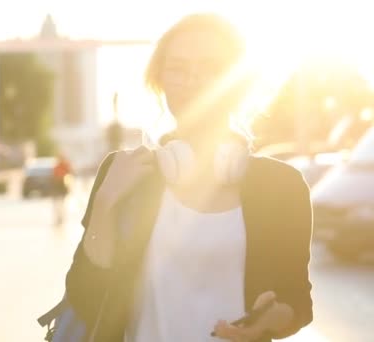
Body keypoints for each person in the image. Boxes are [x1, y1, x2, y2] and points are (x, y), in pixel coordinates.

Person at [64, 13, 313, 342]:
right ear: (160, 81)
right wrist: (105, 206)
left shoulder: (282, 186)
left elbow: (297, 302)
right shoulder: (125, 172)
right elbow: (84, 298)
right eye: (178, 69)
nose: (193, 79)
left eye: (210, 68)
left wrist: (270, 320)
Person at [52, 153, 72, 226]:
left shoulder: (65, 166)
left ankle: (61, 218)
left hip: (62, 186)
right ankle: (59, 217)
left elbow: (69, 176)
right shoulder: (56, 167)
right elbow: (53, 177)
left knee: (61, 204)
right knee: (57, 204)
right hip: (57, 187)